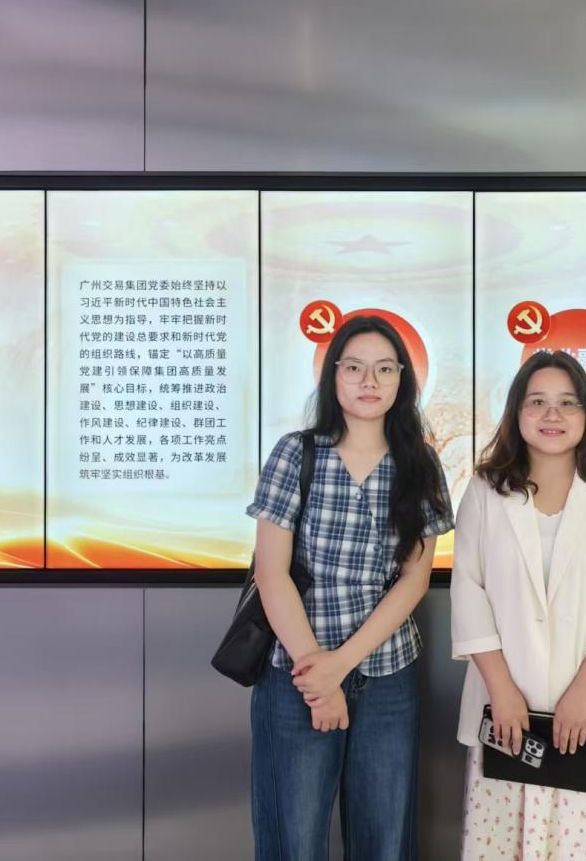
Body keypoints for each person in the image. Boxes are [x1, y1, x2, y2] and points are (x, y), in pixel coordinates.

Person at [246, 314, 453, 861]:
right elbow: (271, 574)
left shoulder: (421, 464)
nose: (369, 381)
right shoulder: (296, 453)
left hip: (387, 675)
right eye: (354, 367)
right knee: (294, 842)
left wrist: (340, 665)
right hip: (295, 673)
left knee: (384, 842)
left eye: (385, 369)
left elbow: (414, 579)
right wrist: (318, 676)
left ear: (402, 379)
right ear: (332, 376)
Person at [451, 349, 586, 859]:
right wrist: (502, 691)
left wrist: (582, 694)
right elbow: (468, 592)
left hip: (580, 712)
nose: (552, 414)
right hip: (503, 710)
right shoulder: (484, 492)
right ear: (517, 413)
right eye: (537, 402)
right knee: (499, 845)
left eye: (567, 402)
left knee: (576, 846)